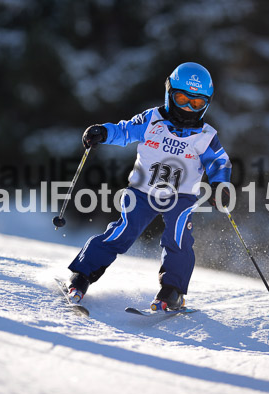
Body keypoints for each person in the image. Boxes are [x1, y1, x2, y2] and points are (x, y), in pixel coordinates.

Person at [65, 62, 232, 311]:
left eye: (196, 103)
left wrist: (220, 185)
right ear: (169, 92)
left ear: (206, 104)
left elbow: (219, 162)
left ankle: (172, 290)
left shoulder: (206, 135)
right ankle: (81, 275)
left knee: (178, 239)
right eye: (183, 98)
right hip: (142, 191)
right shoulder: (152, 119)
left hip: (182, 196)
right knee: (123, 232)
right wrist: (102, 132)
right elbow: (124, 131)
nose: (188, 107)